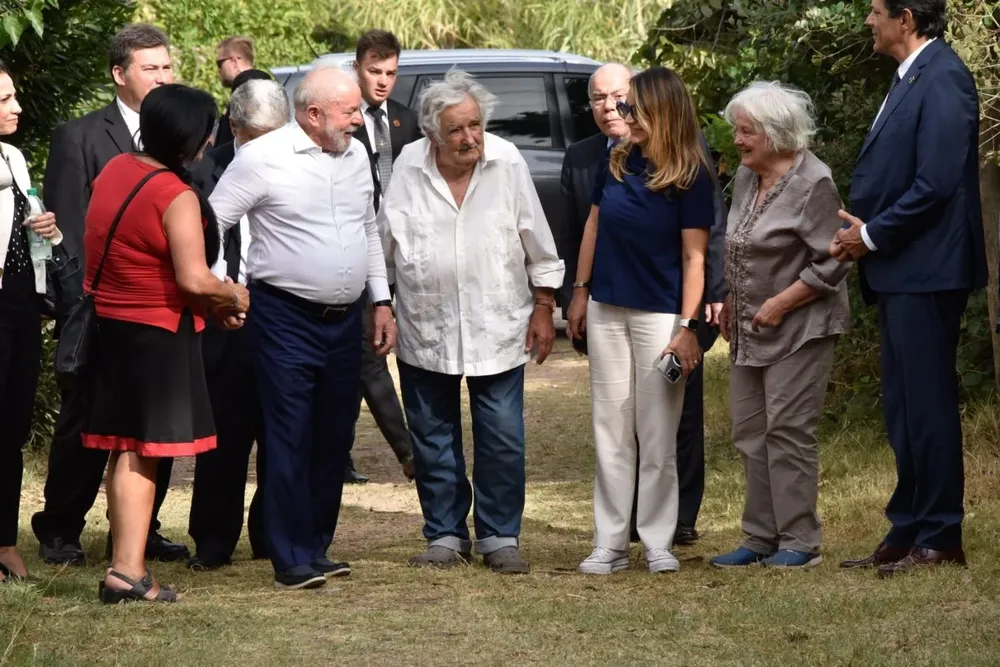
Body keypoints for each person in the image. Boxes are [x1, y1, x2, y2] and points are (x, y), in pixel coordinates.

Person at [209, 66, 395, 591]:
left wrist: (381, 299)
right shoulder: (262, 159)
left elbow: (365, 230)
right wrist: (224, 286)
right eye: (350, 111)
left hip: (346, 317)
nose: (360, 120)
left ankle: (316, 546)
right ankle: (288, 556)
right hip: (283, 316)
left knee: (333, 433)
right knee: (288, 433)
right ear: (312, 115)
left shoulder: (356, 156)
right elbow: (210, 221)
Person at [380, 69, 564, 574]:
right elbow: (385, 245)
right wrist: (379, 302)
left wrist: (544, 306)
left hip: (497, 322)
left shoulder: (507, 161)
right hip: (427, 324)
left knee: (502, 435)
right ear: (432, 134)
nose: (470, 138)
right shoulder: (408, 168)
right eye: (457, 130)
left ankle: (500, 535)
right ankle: (444, 534)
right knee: (432, 435)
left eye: (476, 125)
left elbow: (537, 238)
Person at [834, 0, 985, 576]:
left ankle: (942, 535)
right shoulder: (909, 77)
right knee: (902, 408)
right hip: (901, 269)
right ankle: (908, 528)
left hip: (928, 270)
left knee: (927, 407)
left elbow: (937, 183)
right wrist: (863, 232)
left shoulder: (944, 76)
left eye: (875, 11)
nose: (868, 22)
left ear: (907, 17)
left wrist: (870, 236)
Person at [83, 84, 249, 603]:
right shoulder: (173, 194)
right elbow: (195, 278)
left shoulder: (117, 169)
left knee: (128, 450)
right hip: (156, 336)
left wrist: (209, 305)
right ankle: (128, 570)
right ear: (192, 138)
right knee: (144, 452)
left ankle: (124, 564)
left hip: (113, 328)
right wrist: (232, 293)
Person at [32, 23, 188, 567]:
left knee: (155, 423)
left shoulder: (178, 137)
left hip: (159, 306)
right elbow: (67, 232)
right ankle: (60, 527)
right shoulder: (78, 137)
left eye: (168, 67)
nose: (164, 76)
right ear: (119, 75)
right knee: (83, 420)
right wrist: (81, 305)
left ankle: (142, 528)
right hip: (95, 308)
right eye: (152, 68)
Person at [559, 62, 728, 546]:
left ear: (661, 111)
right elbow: (591, 227)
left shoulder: (690, 172)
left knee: (658, 435)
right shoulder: (613, 162)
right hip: (607, 310)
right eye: (618, 105)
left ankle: (658, 540)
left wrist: (689, 327)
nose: (620, 112)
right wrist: (580, 291)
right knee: (610, 430)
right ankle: (608, 541)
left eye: (631, 106)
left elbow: (696, 257)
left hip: (660, 314)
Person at [709, 82, 849, 569]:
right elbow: (738, 245)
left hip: (801, 326)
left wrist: (781, 303)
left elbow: (835, 259)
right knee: (749, 430)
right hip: (750, 325)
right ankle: (759, 536)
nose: (738, 141)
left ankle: (800, 541)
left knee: (788, 431)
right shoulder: (749, 177)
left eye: (746, 131)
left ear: (774, 133)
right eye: (738, 131)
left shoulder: (815, 182)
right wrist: (730, 298)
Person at [186, 79, 290, 570]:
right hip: (225, 315)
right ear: (233, 128)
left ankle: (272, 533)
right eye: (257, 134)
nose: (269, 144)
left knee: (282, 432)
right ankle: (212, 539)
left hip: (282, 312)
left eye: (277, 132)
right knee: (225, 435)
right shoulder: (205, 171)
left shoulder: (301, 167)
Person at [344, 28, 422, 485]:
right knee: (367, 354)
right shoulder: (344, 117)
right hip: (354, 250)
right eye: (374, 71)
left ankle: (339, 450)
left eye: (391, 72)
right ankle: (408, 452)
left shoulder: (405, 120)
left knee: (363, 354)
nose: (382, 81)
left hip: (397, 252)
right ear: (358, 67)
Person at [0, 59, 62, 583]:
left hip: (21, 305)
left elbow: (26, 233)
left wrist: (46, 230)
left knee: (11, 427)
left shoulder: (14, 157)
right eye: (4, 100)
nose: (16, 107)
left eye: (13, 96)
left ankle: (4, 541)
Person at [213, 35, 256, 147]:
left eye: (219, 63)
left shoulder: (245, 95)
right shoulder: (268, 90)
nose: (219, 70)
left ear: (234, 62)